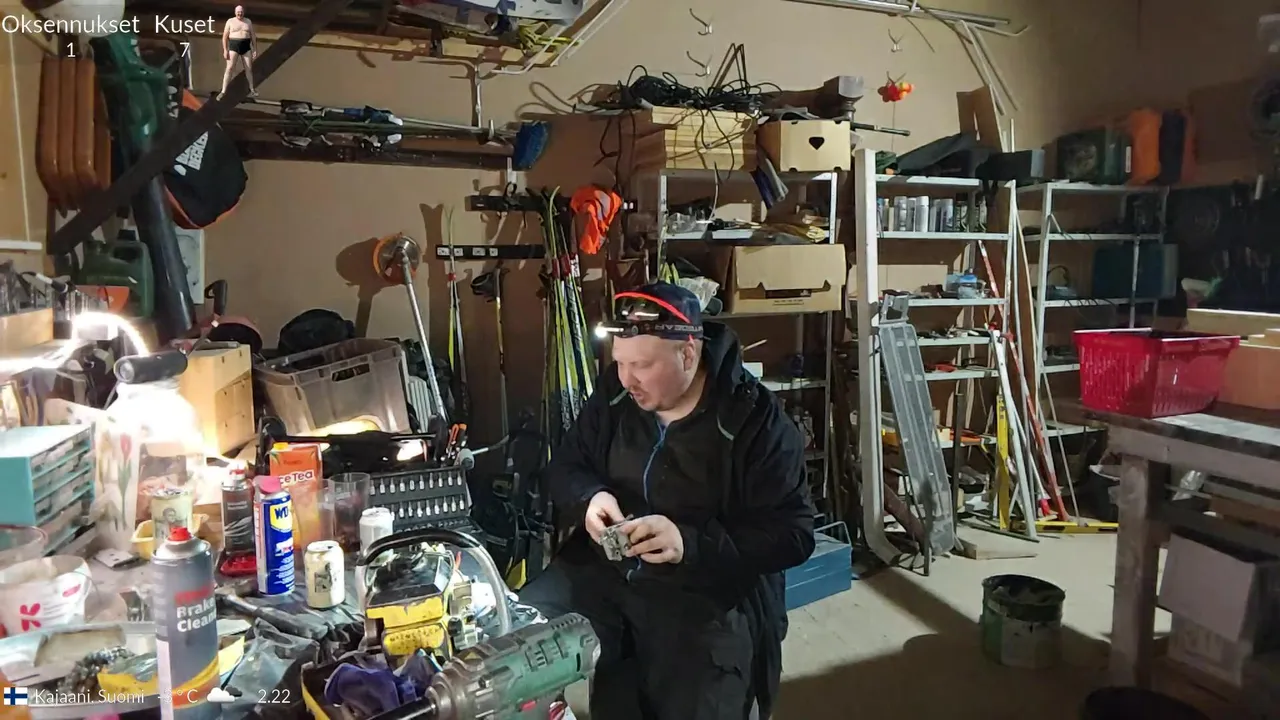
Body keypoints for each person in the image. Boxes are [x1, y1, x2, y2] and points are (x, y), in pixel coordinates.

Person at [520, 282, 817, 720]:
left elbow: (794, 535)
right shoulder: (616, 394)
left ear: (688, 354)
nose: (627, 379)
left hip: (706, 592)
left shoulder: (756, 422)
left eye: (642, 365)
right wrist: (589, 498)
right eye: (620, 362)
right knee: (516, 636)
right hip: (608, 573)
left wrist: (688, 543)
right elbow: (566, 466)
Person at [218, 5, 258, 99]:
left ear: (244, 12)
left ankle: (252, 89)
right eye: (238, 12)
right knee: (229, 68)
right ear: (235, 12)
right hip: (234, 45)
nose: (240, 14)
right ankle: (223, 91)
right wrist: (225, 50)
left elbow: (253, 35)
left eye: (241, 12)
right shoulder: (230, 21)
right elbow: (224, 37)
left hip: (246, 46)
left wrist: (255, 49)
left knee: (248, 68)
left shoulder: (248, 21)